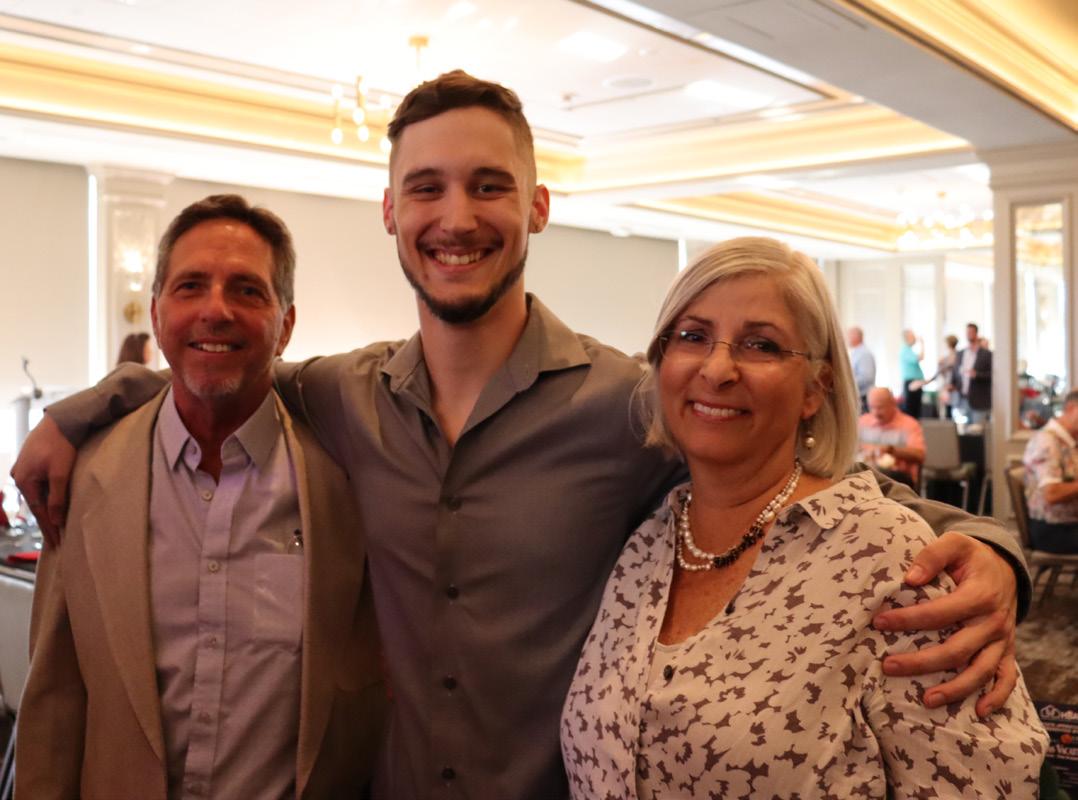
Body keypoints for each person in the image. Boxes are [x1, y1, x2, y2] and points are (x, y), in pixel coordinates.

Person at [13, 72, 1030, 800]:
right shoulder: (342, 395)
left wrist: (991, 547)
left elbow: (812, 490)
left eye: (488, 185)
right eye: (427, 187)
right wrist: (79, 409)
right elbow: (218, 366)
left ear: (536, 205)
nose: (457, 216)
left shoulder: (628, 404)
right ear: (390, 212)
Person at [561, 238, 1047, 798]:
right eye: (693, 336)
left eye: (761, 345)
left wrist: (998, 551)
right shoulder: (645, 545)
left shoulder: (886, 556)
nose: (717, 369)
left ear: (816, 388)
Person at [15, 195, 386, 799]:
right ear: (157, 314)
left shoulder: (345, 483)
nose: (216, 310)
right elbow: (54, 699)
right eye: (190, 287)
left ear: (286, 325)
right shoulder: (86, 477)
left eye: (247, 290)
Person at [1022, 387, 1078, 554]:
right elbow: (1051, 494)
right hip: (1054, 530)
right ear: (1071, 408)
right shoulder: (1047, 441)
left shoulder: (1069, 441)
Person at [858, 386, 926, 489]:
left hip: (899, 480)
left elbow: (920, 455)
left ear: (892, 403)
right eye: (872, 407)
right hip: (866, 477)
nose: (876, 412)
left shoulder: (910, 424)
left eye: (880, 407)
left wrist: (891, 450)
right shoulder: (862, 422)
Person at [951, 322, 992, 423]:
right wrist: (951, 385)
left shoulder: (987, 354)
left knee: (977, 430)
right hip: (962, 400)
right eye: (967, 332)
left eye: (971, 332)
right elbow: (955, 372)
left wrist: (977, 375)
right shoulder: (960, 354)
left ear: (976, 333)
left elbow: (992, 375)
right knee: (962, 431)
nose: (969, 334)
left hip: (979, 401)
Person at [925, 333, 960, 419]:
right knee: (950, 410)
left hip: (951, 386)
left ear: (948, 344)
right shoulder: (955, 356)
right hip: (950, 386)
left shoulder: (952, 357)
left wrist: (941, 364)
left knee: (950, 411)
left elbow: (939, 372)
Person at [846, 325, 875, 412]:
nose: (846, 339)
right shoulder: (856, 353)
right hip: (858, 397)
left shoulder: (864, 354)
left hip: (863, 398)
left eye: (848, 336)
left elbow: (866, 377)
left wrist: (847, 383)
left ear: (856, 337)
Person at [898, 328, 924, 418]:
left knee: (915, 411)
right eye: (913, 336)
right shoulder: (906, 350)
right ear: (907, 337)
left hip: (916, 383)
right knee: (911, 411)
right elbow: (920, 358)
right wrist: (922, 344)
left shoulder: (909, 350)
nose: (915, 338)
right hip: (912, 383)